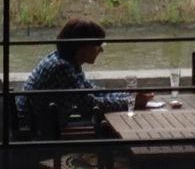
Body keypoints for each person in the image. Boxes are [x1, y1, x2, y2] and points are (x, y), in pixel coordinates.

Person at [18, 18, 153, 135]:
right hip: (38, 131)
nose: (101, 49)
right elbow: (90, 105)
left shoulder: (64, 60)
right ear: (83, 46)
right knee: (109, 128)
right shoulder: (62, 68)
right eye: (98, 45)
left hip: (40, 123)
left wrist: (129, 95)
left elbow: (93, 91)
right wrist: (131, 102)